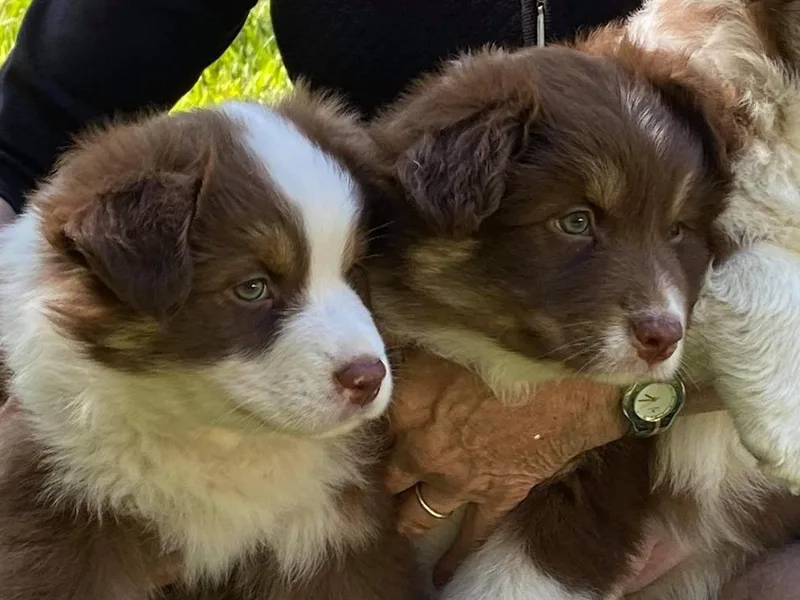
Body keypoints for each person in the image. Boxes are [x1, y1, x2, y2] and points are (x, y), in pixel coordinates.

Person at [0, 1, 795, 596]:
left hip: (707, 482)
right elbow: (22, 136)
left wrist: (600, 406)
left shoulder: (709, 85)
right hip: (358, 373)